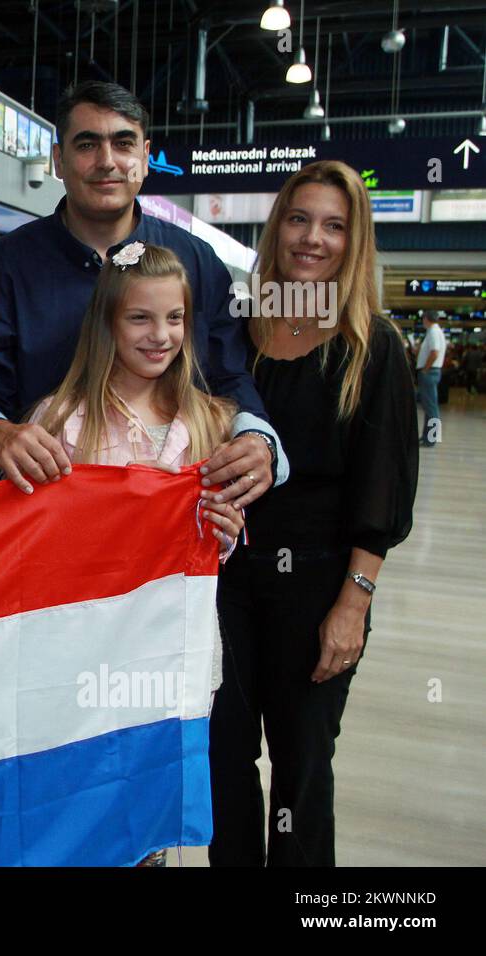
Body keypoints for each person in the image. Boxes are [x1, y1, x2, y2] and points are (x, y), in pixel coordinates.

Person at [0, 81, 285, 510]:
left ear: (144, 156)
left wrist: (256, 437)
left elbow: (230, 374)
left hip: (173, 529)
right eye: (87, 144)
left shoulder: (196, 262)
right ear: (58, 161)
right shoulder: (5, 267)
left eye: (123, 144)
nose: (107, 162)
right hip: (45, 521)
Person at [208, 160, 418, 867]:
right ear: (278, 228)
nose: (313, 238)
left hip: (318, 586)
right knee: (223, 759)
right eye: (299, 219)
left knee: (300, 768)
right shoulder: (237, 333)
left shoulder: (371, 347)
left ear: (353, 241)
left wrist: (352, 604)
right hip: (226, 582)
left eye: (334, 225)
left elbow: (383, 489)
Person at [23, 241, 245, 867]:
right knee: (82, 812)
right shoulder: (61, 423)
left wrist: (224, 531)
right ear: (107, 324)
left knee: (150, 827)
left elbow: (220, 550)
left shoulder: (212, 425)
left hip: (174, 659)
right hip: (81, 664)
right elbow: (36, 550)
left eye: (174, 318)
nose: (160, 335)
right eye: (140, 319)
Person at [415, 310, 445, 447]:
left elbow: (434, 352)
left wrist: (426, 369)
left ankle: (432, 439)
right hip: (432, 371)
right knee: (429, 407)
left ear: (426, 319)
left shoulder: (433, 331)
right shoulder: (435, 331)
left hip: (430, 372)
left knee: (431, 408)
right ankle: (427, 437)